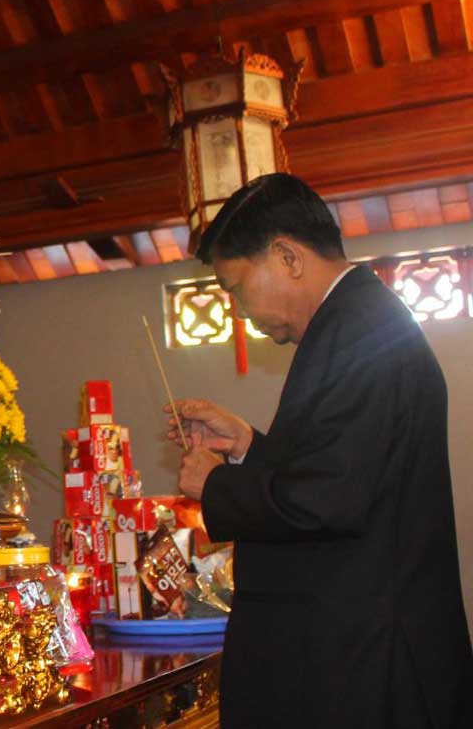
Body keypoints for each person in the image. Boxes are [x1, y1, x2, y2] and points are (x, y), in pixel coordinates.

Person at [166, 173, 472, 728]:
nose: (237, 309)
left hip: (372, 662)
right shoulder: (353, 324)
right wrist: (249, 447)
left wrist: (215, 484)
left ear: (287, 256)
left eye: (235, 288)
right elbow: (344, 468)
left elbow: (328, 498)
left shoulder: (363, 333)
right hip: (360, 644)